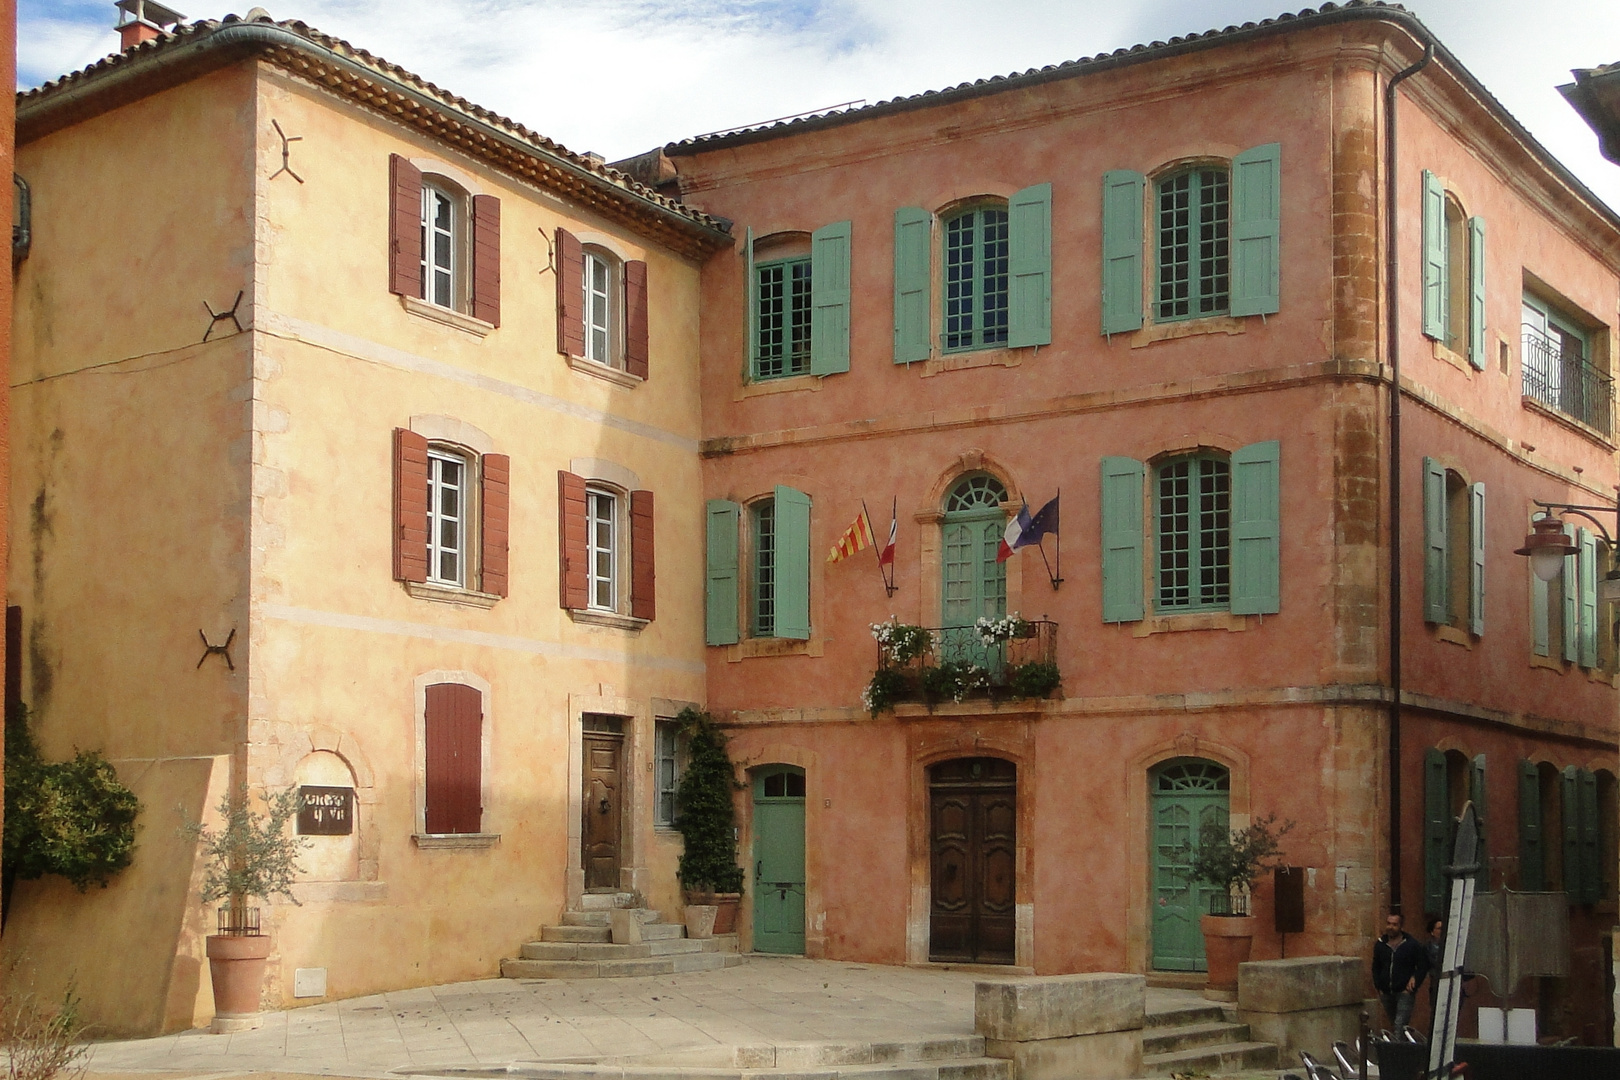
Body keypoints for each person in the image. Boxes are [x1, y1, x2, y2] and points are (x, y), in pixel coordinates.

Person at [1372, 911, 1429, 1031]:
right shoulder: (1380, 945)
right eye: (1388, 924)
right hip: (1386, 992)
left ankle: (1397, 1049)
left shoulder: (1412, 945)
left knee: (1399, 1024)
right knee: (1395, 1024)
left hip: (1404, 992)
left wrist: (1415, 979)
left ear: (1401, 927)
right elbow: (1376, 966)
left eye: (1394, 924)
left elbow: (1423, 965)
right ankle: (1402, 1047)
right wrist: (1379, 987)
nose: (1390, 927)